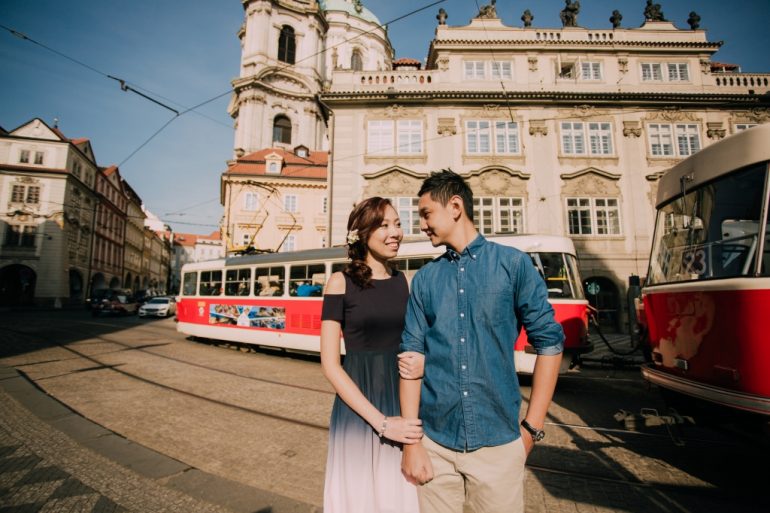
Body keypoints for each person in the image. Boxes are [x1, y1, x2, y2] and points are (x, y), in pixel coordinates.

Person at [399, 170, 565, 513]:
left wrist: (532, 429)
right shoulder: (426, 279)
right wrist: (412, 444)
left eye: (427, 214)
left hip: (499, 446)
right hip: (436, 446)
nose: (422, 225)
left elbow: (550, 344)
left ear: (455, 206)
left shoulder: (513, 265)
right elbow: (411, 358)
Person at [320, 196, 424, 513]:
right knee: (358, 499)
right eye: (384, 225)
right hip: (358, 410)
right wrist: (381, 423)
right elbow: (330, 365)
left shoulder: (407, 281)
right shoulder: (339, 283)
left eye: (398, 224)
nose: (395, 232)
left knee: (401, 498)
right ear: (362, 234)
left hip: (401, 401)